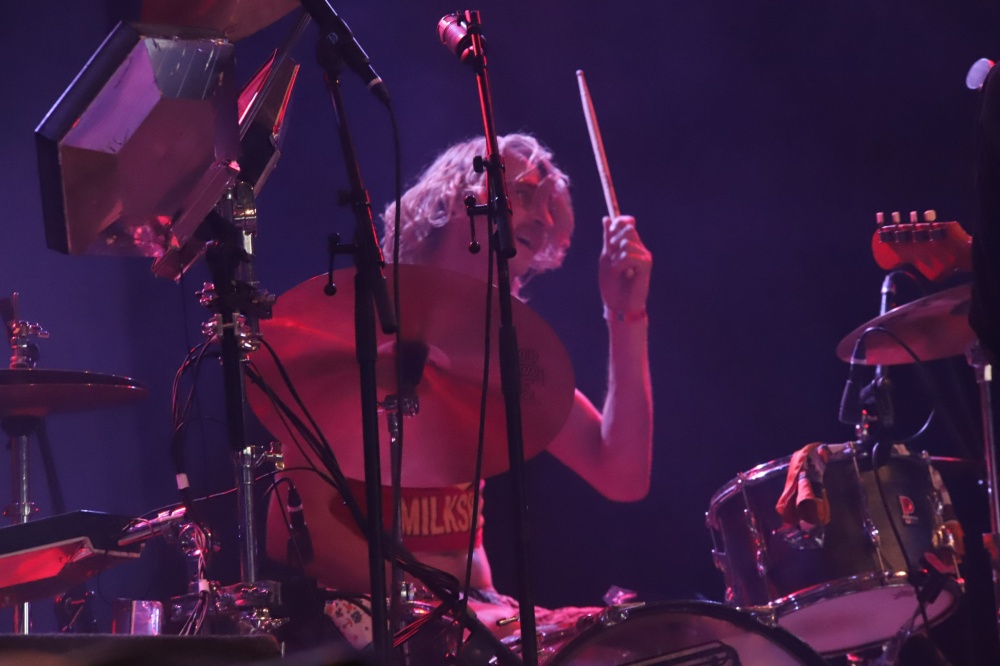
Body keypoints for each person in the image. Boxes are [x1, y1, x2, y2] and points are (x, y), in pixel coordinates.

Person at [264, 132, 653, 649]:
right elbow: (291, 529)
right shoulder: (361, 329)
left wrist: (625, 314)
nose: (543, 217)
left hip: (480, 612)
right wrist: (440, 602)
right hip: (374, 617)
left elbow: (621, 473)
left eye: (549, 208)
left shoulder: (501, 348)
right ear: (457, 200)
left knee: (637, 642)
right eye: (523, 194)